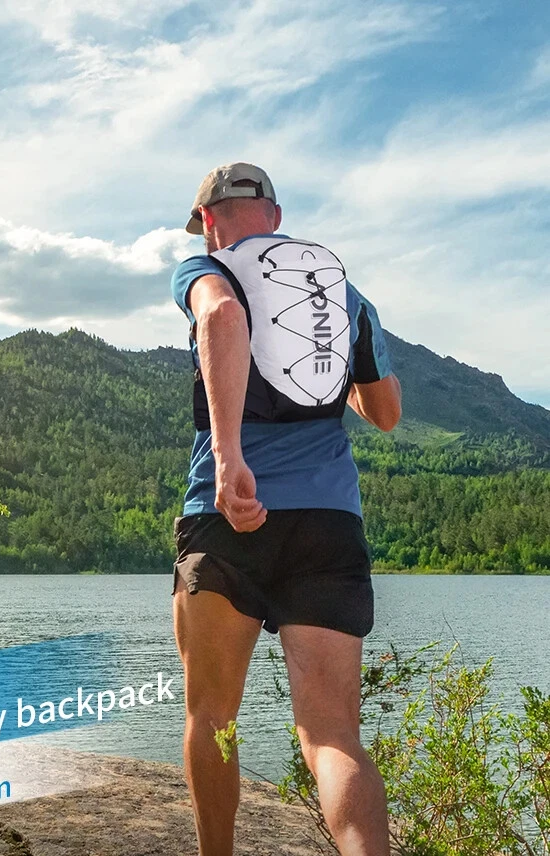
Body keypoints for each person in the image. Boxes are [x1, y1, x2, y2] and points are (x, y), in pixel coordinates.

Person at [170, 162, 402, 856]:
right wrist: (344, 379)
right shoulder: (342, 290)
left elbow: (222, 314)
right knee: (333, 736)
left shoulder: (205, 268)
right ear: (273, 213)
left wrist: (231, 456)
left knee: (213, 715)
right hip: (329, 525)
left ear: (209, 222)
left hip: (228, 517)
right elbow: (385, 411)